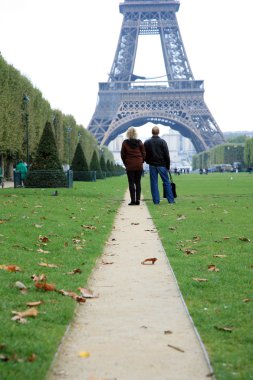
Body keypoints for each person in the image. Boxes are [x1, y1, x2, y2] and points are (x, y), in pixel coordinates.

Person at [144, 125, 175, 205]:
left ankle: (156, 201)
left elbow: (144, 154)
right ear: (158, 132)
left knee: (154, 183)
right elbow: (167, 155)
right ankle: (171, 200)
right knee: (166, 182)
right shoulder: (163, 142)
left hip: (152, 165)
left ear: (152, 132)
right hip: (162, 165)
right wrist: (168, 166)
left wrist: (147, 161)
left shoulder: (147, 142)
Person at [121, 127, 146, 205]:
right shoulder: (140, 142)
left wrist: (126, 163)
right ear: (136, 133)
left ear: (128, 134)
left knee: (131, 183)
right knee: (138, 182)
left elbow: (122, 154)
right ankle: (137, 200)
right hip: (138, 164)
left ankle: (132, 200)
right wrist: (141, 161)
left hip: (130, 165)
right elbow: (144, 153)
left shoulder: (125, 143)